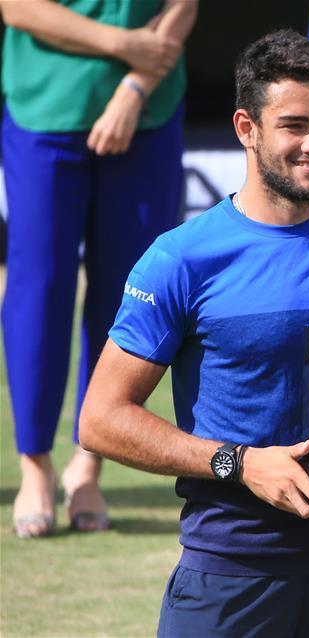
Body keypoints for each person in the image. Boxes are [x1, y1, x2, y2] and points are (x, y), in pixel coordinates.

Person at [79, 30, 309, 637]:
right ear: (246, 129)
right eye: (295, 125)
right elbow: (101, 417)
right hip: (231, 572)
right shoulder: (181, 258)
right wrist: (238, 463)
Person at [1, 0, 197, 538]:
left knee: (129, 295)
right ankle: (34, 465)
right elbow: (17, 7)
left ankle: (89, 464)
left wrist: (134, 86)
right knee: (38, 289)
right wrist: (123, 44)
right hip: (45, 102)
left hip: (150, 106)